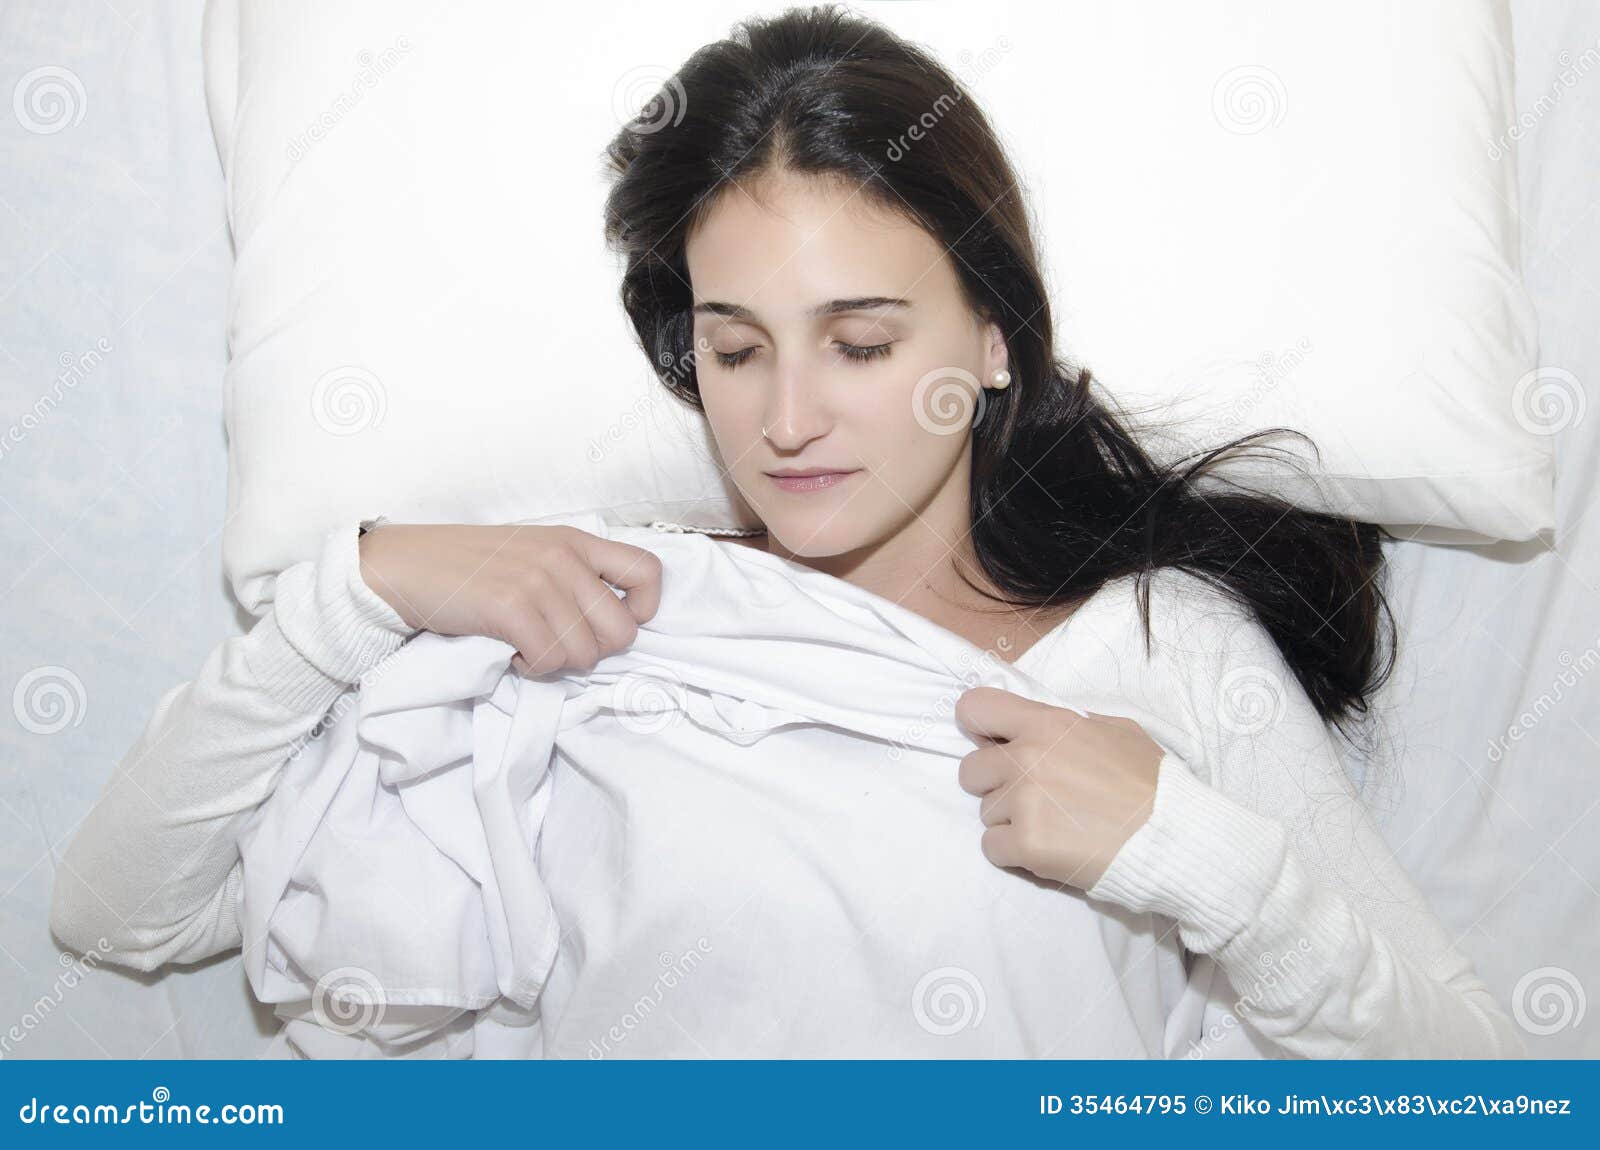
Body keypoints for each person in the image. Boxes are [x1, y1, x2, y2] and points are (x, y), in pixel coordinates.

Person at [50, 4, 1522, 1058]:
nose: (788, 420)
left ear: (994, 340)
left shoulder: (1155, 651)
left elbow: (1469, 1088)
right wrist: (362, 584)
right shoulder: (602, 606)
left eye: (862, 344)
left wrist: (1192, 854)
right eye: (736, 351)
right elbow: (121, 916)